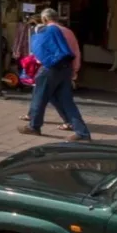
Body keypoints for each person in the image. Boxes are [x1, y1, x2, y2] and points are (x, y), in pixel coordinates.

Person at [22, 8, 91, 141]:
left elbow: (39, 53)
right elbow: (75, 51)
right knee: (67, 102)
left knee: (39, 97)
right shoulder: (68, 31)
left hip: (50, 68)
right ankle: (82, 133)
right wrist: (74, 70)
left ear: (44, 19)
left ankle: (34, 126)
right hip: (66, 68)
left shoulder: (44, 32)